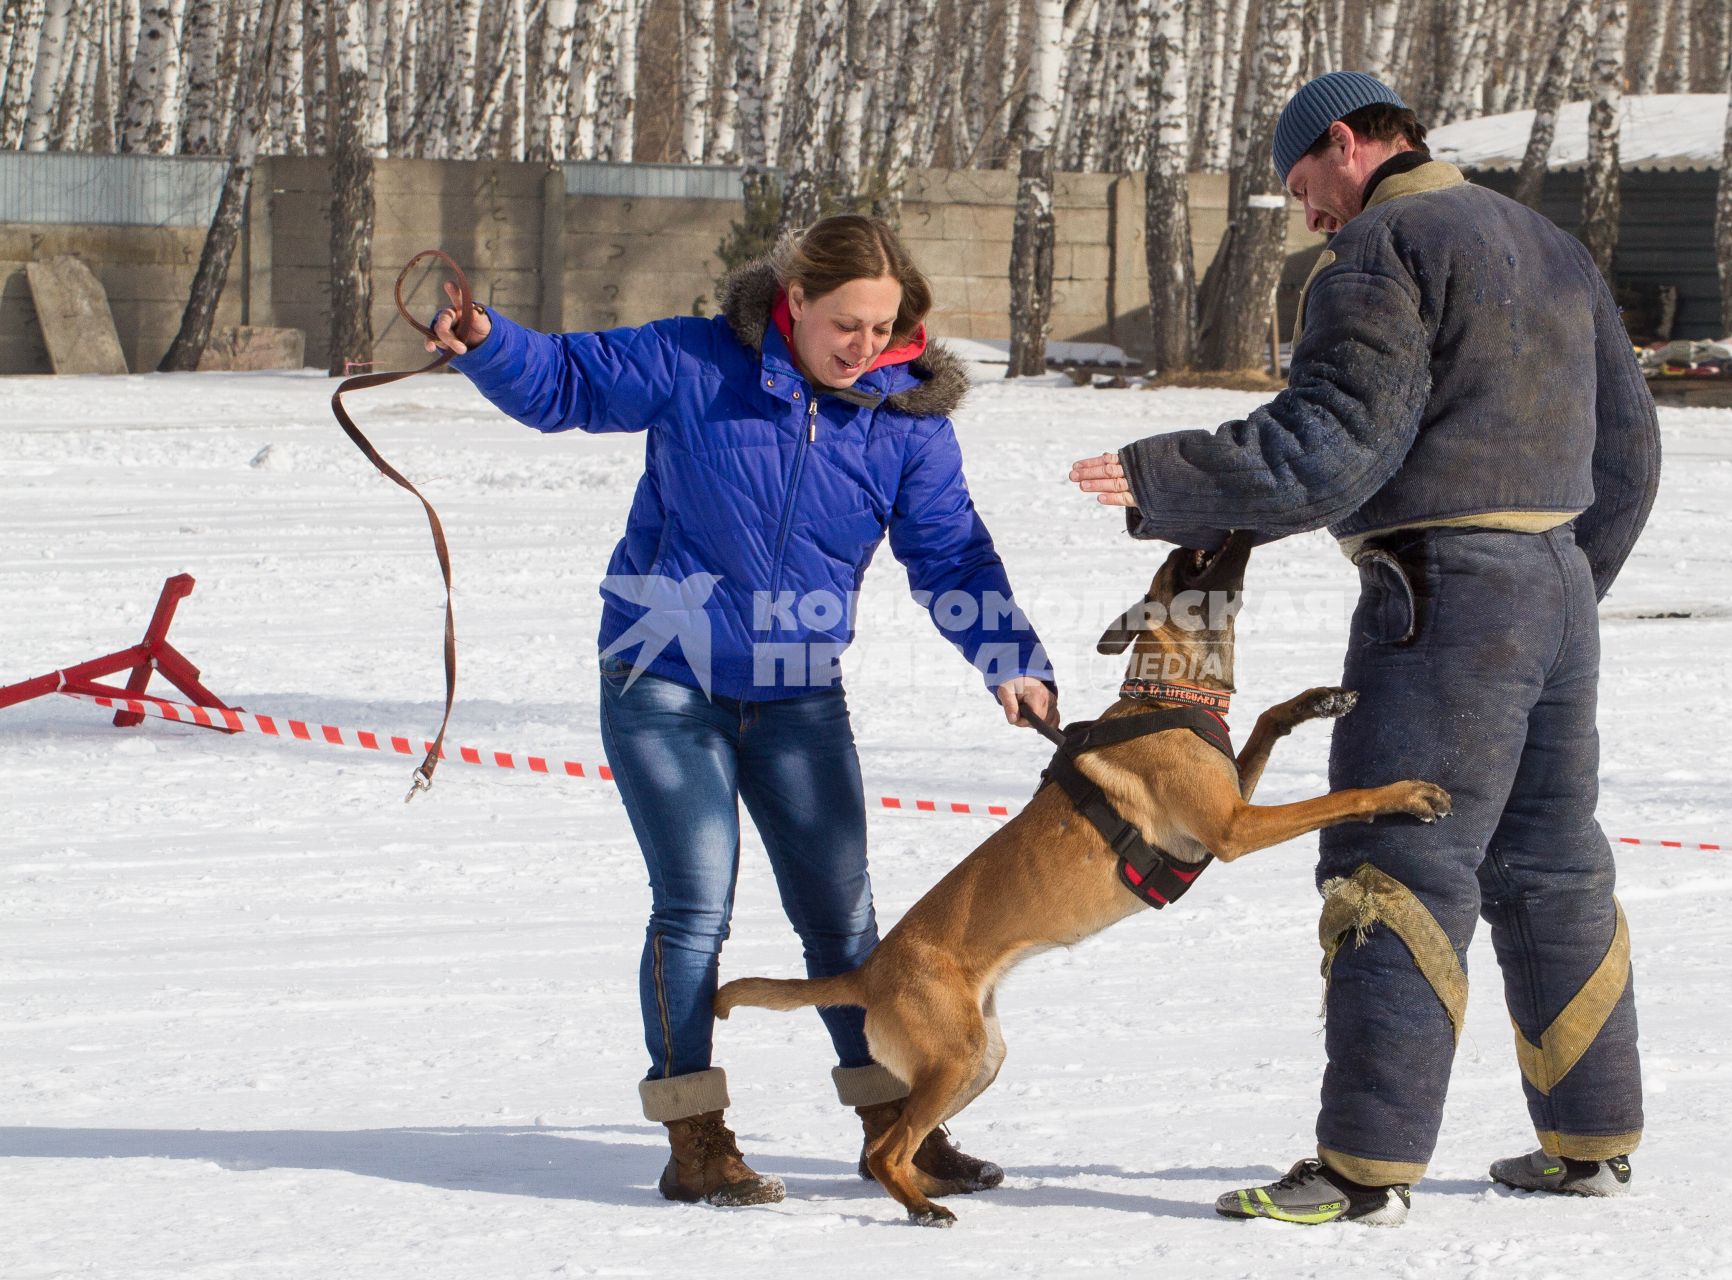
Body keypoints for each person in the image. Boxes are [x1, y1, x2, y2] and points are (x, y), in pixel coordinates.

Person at [1069, 71, 1660, 1225]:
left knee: (1394, 859)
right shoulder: (1547, 242)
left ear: (1347, 143)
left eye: (1304, 186)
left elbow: (1334, 448)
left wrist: (1166, 476)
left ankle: (1362, 1168)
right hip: (1557, 588)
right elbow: (1631, 455)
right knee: (1553, 860)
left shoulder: (1382, 251)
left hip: (1438, 595)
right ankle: (1591, 1137)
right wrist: (1561, 587)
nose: (1307, 217)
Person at [429, 214, 1057, 1208]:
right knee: (693, 907)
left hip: (798, 681)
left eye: (885, 326)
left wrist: (1008, 655)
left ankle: (895, 1121)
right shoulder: (695, 360)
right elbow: (567, 383)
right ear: (793, 301)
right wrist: (489, 343)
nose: (866, 347)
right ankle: (695, 1136)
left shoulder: (905, 419)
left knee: (843, 920)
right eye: (845, 324)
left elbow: (950, 552)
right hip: (662, 666)